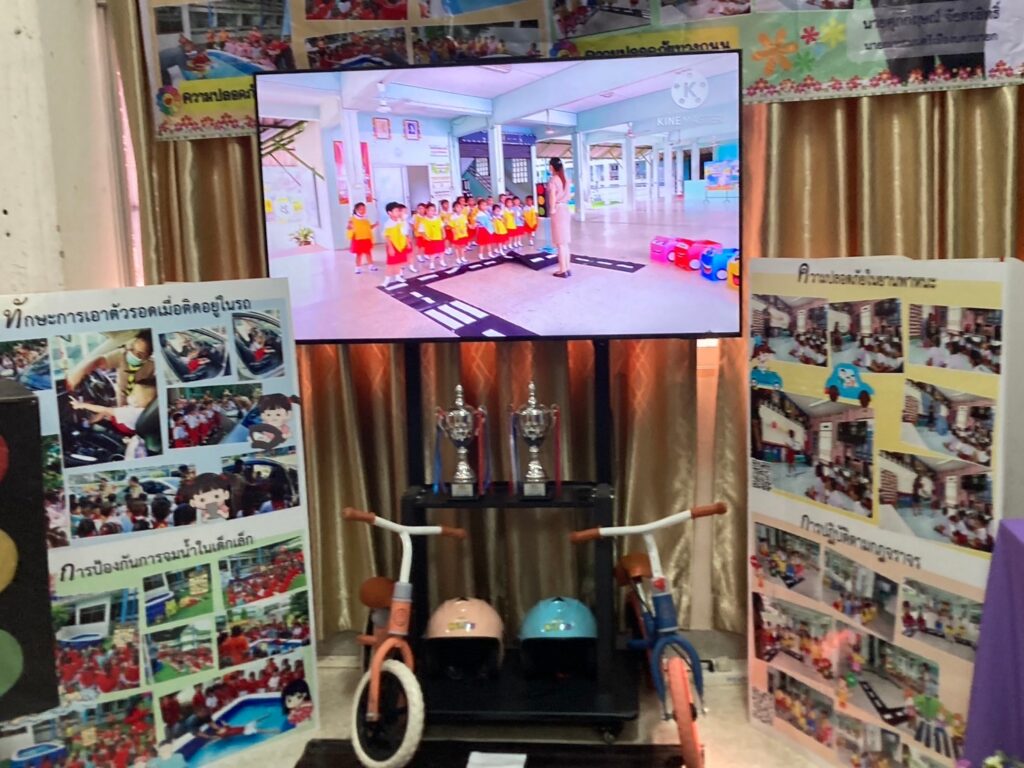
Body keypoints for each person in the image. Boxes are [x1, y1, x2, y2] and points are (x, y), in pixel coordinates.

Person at [66, 330, 155, 407]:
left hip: (140, 403)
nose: (133, 354)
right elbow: (98, 361)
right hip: (121, 400)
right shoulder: (122, 355)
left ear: (148, 356)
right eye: (132, 349)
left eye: (139, 354)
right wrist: (79, 373)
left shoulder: (153, 366)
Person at [547, 157, 572, 277]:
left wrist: (552, 209)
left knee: (560, 243)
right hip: (566, 208)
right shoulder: (566, 178)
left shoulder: (553, 180)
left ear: (552, 167)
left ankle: (562, 270)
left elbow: (552, 196)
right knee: (565, 242)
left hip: (558, 209)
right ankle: (567, 267)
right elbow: (569, 194)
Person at [347, 202, 376, 274]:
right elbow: (349, 228)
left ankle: (371, 266)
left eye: (364, 209)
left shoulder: (365, 219)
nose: (363, 211)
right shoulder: (352, 219)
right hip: (358, 239)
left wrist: (375, 225)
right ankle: (357, 268)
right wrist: (349, 227)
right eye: (361, 209)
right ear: (356, 210)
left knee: (368, 253)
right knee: (358, 254)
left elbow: (369, 227)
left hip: (366, 238)